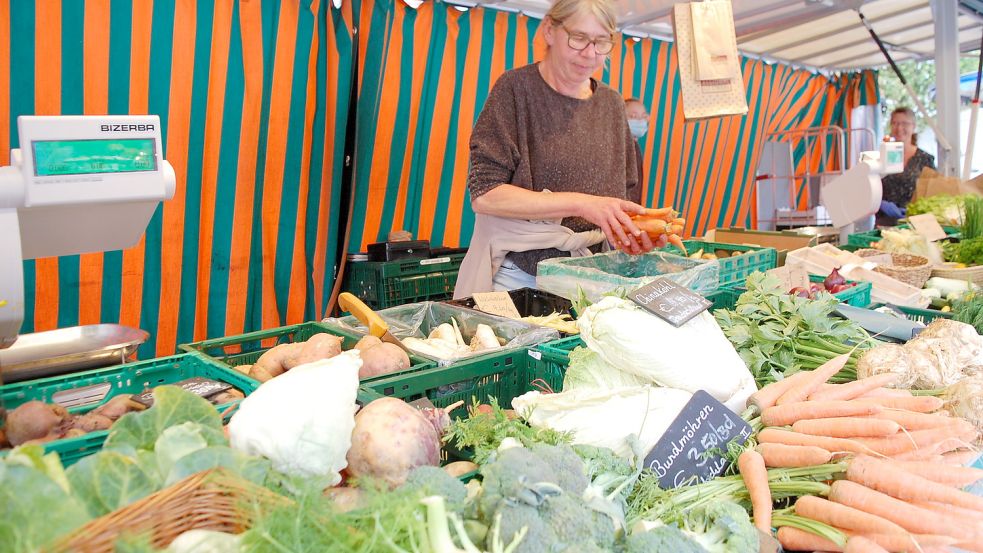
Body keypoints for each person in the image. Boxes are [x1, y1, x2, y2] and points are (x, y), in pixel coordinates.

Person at [456, 0, 663, 296]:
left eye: (602, 42)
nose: (590, 54)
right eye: (579, 38)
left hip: (593, 277)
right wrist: (582, 203)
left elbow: (619, 200)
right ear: (549, 31)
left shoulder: (612, 105)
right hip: (522, 282)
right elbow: (486, 195)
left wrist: (633, 235)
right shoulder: (516, 89)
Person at [877, 107, 937, 227]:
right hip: (884, 223)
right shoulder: (881, 156)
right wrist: (879, 203)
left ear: (913, 126)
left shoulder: (925, 159)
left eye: (904, 123)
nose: (899, 128)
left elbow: (933, 193)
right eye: (895, 123)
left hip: (915, 223)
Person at [624, 97, 649, 204]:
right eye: (633, 116)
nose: (640, 120)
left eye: (643, 116)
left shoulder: (634, 146)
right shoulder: (623, 147)